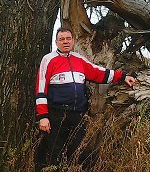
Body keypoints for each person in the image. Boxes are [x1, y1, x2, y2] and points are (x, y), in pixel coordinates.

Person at [35, 27, 136, 171]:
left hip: (78, 114)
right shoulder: (48, 59)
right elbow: (40, 89)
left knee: (77, 152)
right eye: (62, 39)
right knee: (54, 153)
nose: (65, 42)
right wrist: (43, 116)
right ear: (56, 42)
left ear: (73, 41)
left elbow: (99, 73)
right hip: (57, 114)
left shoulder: (79, 59)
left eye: (68, 39)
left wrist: (123, 76)